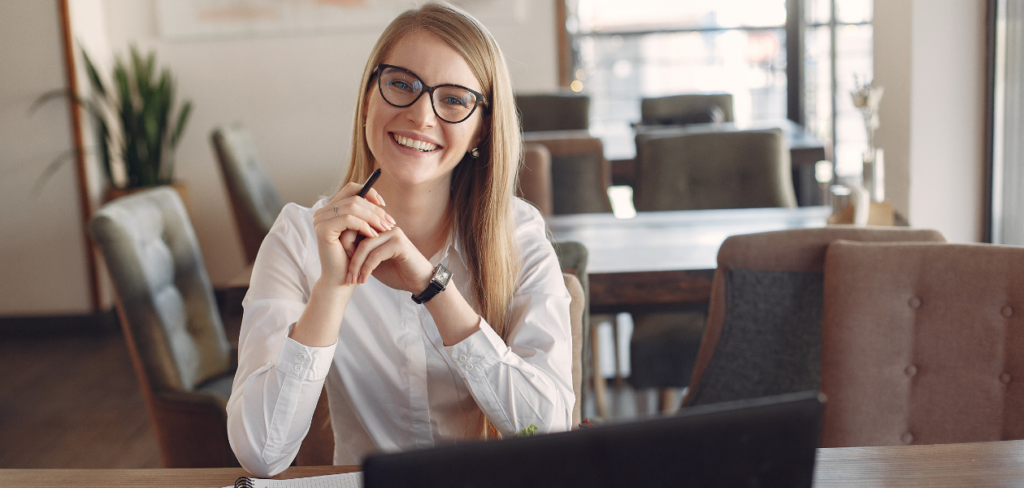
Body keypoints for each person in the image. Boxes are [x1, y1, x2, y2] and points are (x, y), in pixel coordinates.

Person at [226, 2, 573, 477]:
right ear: (369, 95)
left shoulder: (519, 236)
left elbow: (548, 434)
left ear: (482, 129)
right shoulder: (298, 238)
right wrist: (333, 288)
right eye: (401, 84)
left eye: (453, 99)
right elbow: (261, 454)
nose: (420, 115)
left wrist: (434, 288)